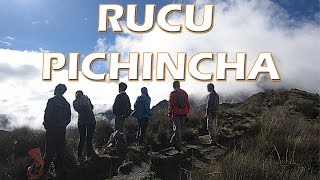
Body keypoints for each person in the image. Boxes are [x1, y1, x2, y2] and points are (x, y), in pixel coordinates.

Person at [43, 84, 71, 179]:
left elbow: (47, 115)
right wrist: (63, 125)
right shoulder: (66, 104)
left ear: (56, 90)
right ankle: (59, 172)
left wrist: (47, 126)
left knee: (49, 152)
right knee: (60, 152)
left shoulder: (52, 101)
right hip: (62, 130)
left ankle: (45, 172)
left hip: (51, 129)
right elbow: (68, 119)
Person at [73, 91, 96, 165]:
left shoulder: (75, 102)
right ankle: (88, 157)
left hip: (82, 121)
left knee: (82, 139)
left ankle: (79, 157)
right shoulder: (87, 99)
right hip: (91, 120)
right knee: (89, 140)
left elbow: (78, 110)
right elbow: (92, 107)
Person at [168, 81, 190, 151]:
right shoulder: (184, 93)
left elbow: (171, 105)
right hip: (184, 113)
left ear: (173, 86)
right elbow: (187, 103)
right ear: (179, 85)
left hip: (176, 113)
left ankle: (178, 145)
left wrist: (169, 114)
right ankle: (173, 141)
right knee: (179, 129)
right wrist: (187, 112)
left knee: (177, 129)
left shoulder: (173, 93)